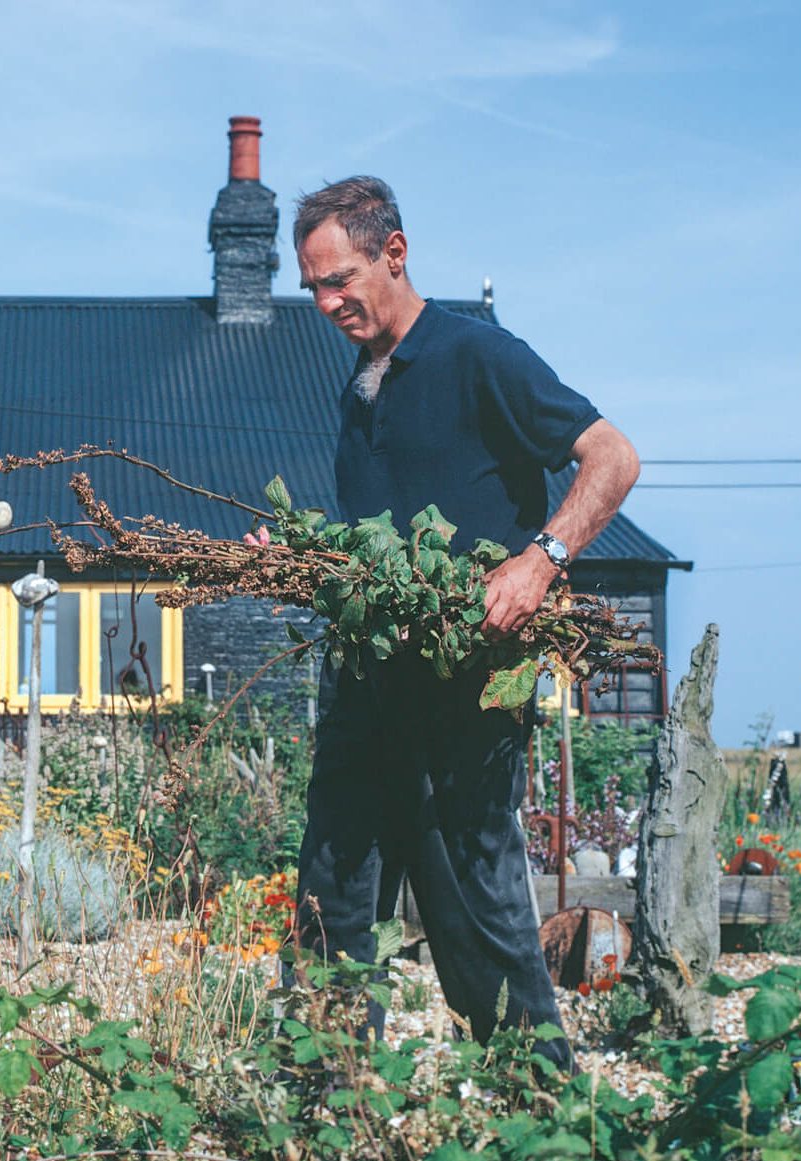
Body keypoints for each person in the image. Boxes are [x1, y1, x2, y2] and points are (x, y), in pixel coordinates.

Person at [290, 176, 641, 1069]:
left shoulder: (477, 356)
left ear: (394, 254)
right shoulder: (360, 387)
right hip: (367, 689)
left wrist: (541, 558)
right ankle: (330, 1098)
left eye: (340, 280)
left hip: (465, 693)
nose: (327, 303)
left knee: (472, 901)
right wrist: (300, 560)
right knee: (333, 890)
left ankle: (541, 1097)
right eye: (314, 289)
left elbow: (612, 456)